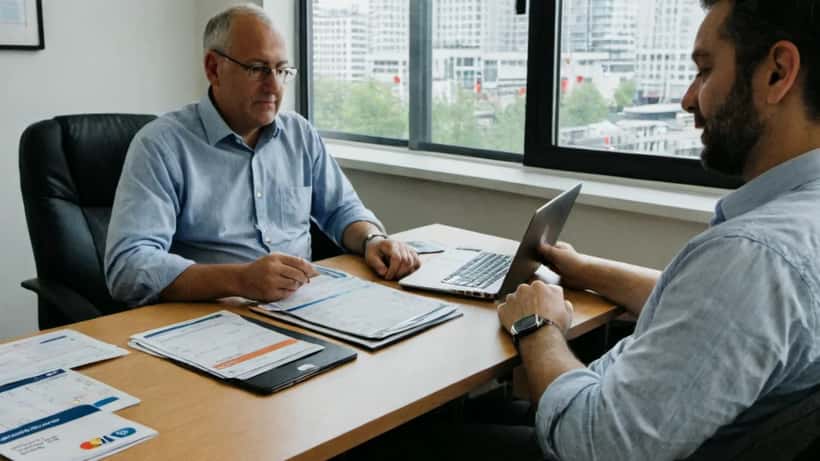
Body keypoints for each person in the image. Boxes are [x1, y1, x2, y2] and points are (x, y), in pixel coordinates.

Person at [497, 0, 820, 459]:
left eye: (705, 71)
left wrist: (537, 325)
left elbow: (595, 445)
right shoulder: (797, 226)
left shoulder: (754, 257)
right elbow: (710, 316)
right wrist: (583, 269)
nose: (689, 99)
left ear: (777, 73)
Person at [105, 4, 419, 307]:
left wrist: (372, 239)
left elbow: (342, 210)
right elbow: (128, 266)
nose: (273, 86)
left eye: (281, 70)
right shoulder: (161, 145)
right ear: (214, 68)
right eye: (257, 69)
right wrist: (239, 280)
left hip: (304, 307)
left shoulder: (299, 134)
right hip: (209, 317)